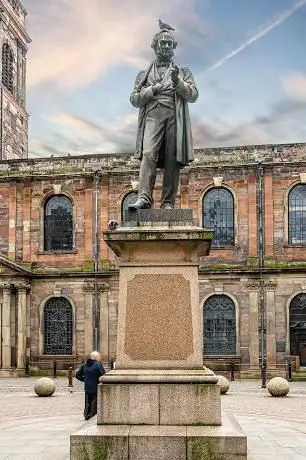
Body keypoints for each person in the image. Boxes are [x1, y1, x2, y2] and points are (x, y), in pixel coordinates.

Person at [128, 19, 198, 210]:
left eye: (170, 43)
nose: (166, 46)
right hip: (152, 116)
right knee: (148, 154)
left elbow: (193, 95)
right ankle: (144, 198)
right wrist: (153, 89)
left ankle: (168, 202)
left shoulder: (182, 72)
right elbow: (134, 99)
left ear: (174, 47)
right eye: (163, 42)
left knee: (172, 159)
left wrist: (178, 83)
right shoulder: (143, 74)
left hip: (175, 117)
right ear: (155, 46)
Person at [76, 351, 105, 420]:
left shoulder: (85, 364)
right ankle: (92, 415)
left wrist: (84, 379)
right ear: (97, 357)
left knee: (87, 402)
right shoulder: (98, 364)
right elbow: (103, 375)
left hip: (87, 387)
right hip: (95, 386)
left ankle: (87, 415)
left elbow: (78, 375)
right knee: (94, 402)